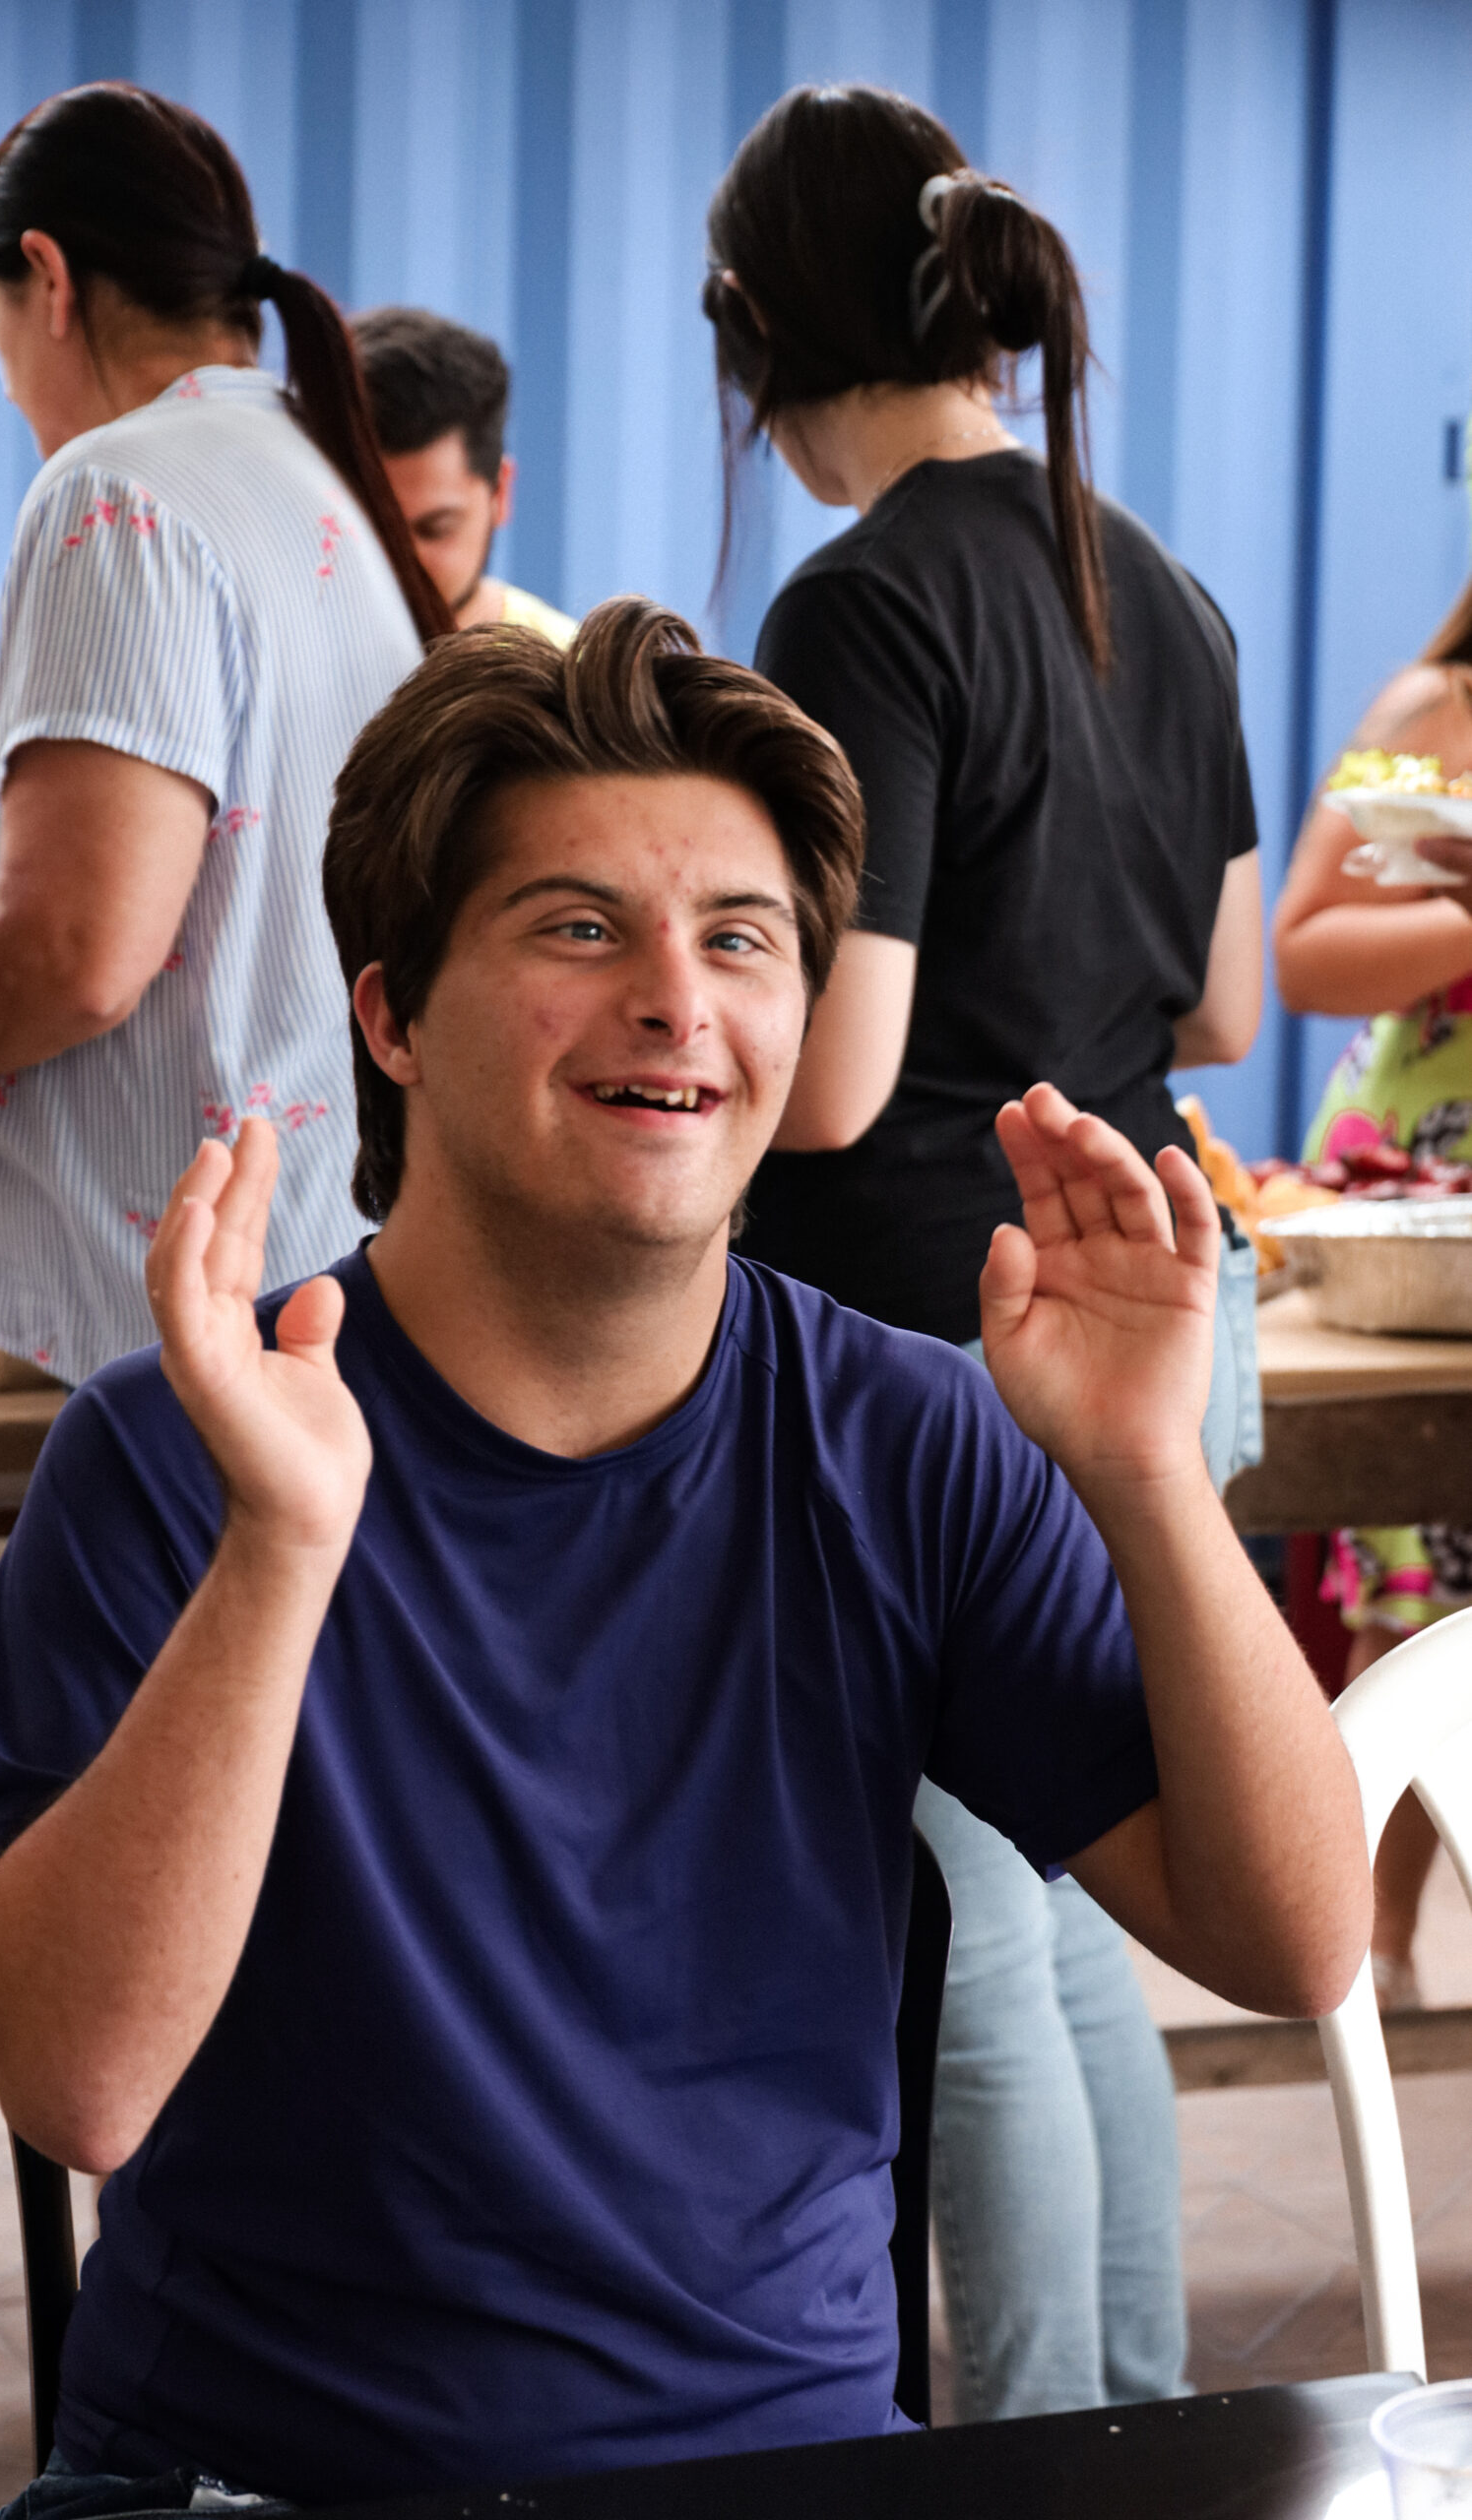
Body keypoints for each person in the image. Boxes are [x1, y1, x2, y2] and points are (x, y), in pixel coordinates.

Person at [0, 599, 1366, 2514]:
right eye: (578, 928)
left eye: (741, 939)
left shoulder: (904, 1439)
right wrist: (280, 1550)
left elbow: (1293, 1944)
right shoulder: (171, 1448)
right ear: (391, 1014)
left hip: (795, 2465)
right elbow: (77, 2090)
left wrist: (1144, 1473)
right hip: (259, 2478)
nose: (677, 1002)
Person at [700, 86, 1265, 2422]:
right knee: (1082, 1913)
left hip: (957, 1342)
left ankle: (1033, 2447)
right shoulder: (1159, 583)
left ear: (756, 325)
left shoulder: (860, 599)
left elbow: (829, 1078)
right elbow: (1223, 1005)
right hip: (1151, 1311)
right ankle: (1118, 2415)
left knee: (970, 1926)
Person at [0, 83, 452, 1387]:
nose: (3, 378)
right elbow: (141, 899)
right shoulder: (303, 471)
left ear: (46, 278)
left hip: (177, 1321)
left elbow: (75, 952)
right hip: (310, 1272)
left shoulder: (116, 493)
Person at [1273, 570, 1472, 2011]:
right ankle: (1370, 1963)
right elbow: (1301, 950)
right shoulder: (1436, 712)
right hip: (1423, 1202)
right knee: (1414, 1597)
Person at [352, 303, 578, 644]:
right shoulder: (276, 656)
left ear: (500, 493)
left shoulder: (575, 671)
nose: (398, 561)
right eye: (370, 528)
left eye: (434, 529)